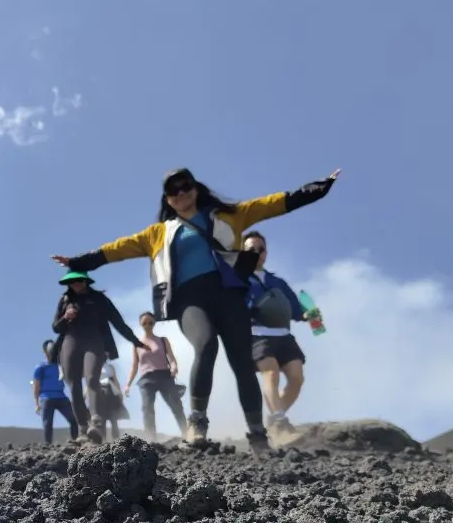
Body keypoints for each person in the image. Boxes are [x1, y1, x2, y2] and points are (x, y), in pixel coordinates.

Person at [51, 167, 339, 455]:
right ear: (167, 199)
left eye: (185, 186)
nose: (180, 193)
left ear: (196, 188)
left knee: (241, 361)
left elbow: (273, 204)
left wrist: (319, 188)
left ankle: (258, 436)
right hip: (188, 300)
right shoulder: (158, 233)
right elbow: (117, 249)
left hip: (229, 295)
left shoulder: (230, 215)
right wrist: (79, 262)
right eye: (173, 190)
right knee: (205, 344)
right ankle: (197, 423)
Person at [50, 271, 145, 444]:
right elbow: (56, 327)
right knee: (74, 386)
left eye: (78, 280)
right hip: (70, 343)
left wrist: (135, 341)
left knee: (93, 379)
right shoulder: (65, 300)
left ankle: (96, 422)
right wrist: (66, 317)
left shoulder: (99, 299)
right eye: (71, 282)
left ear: (86, 280)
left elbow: (118, 322)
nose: (75, 284)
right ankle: (83, 429)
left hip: (95, 342)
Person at [241, 231, 313, 438]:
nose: (257, 253)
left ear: (266, 252)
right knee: (270, 373)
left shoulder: (278, 281)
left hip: (284, 335)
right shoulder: (238, 280)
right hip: (256, 335)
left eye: (260, 249)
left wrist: (309, 315)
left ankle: (275, 416)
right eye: (251, 250)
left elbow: (296, 309)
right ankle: (280, 421)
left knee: (297, 378)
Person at [124, 311, 188, 441]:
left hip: (165, 376)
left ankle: (186, 434)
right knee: (147, 408)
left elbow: (171, 357)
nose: (148, 325)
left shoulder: (162, 340)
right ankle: (151, 439)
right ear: (141, 324)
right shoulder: (137, 344)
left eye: (150, 322)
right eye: (144, 323)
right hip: (146, 379)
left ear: (154, 323)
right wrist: (128, 384)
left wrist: (174, 366)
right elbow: (134, 366)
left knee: (176, 405)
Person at [32, 339, 79, 445]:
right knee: (47, 423)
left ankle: (76, 442)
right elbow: (36, 386)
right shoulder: (40, 368)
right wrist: (36, 403)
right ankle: (47, 446)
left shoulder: (60, 366)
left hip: (61, 397)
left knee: (73, 419)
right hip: (46, 398)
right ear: (45, 352)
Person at [96, 360, 130, 440]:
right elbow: (90, 381)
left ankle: (116, 439)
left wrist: (120, 393)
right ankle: (102, 440)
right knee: (101, 419)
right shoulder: (93, 366)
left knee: (113, 418)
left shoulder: (110, 367)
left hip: (111, 394)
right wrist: (87, 394)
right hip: (99, 393)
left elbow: (115, 379)